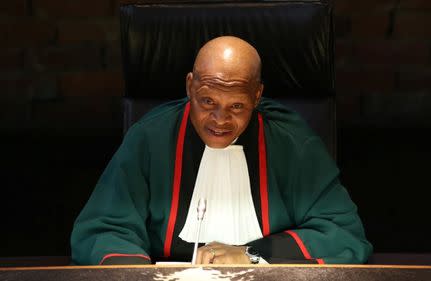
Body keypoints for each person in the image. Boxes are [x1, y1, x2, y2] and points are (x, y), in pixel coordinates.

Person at [71, 36, 372, 265]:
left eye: (237, 106)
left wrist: (251, 254)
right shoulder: (150, 137)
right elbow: (102, 229)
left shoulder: (293, 143)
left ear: (257, 96)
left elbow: (342, 233)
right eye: (207, 102)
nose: (220, 120)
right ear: (190, 86)